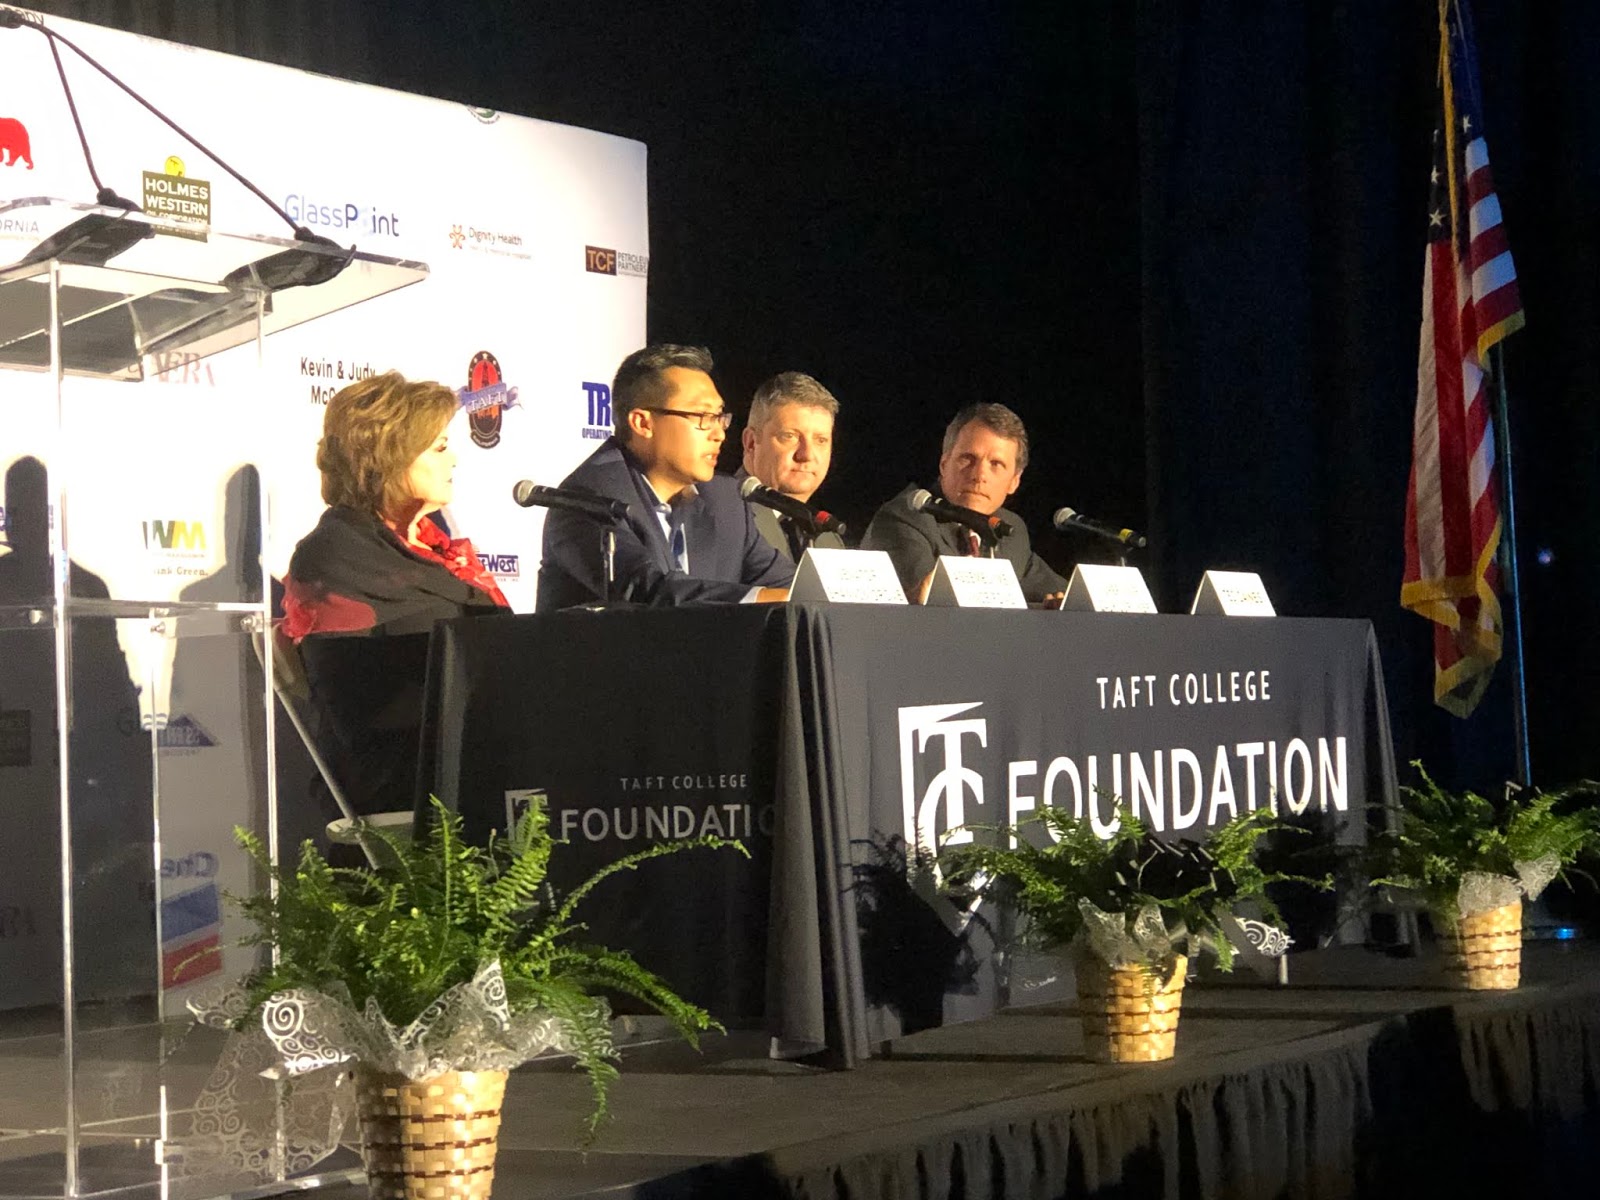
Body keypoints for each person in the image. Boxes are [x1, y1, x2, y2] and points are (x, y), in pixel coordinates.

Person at [537, 344, 794, 609]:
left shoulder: (725, 500)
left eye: (719, 417)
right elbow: (647, 590)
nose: (719, 434)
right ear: (643, 423)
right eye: (703, 416)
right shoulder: (588, 497)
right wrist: (766, 598)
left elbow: (790, 586)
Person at [283, 371, 508, 639]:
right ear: (388, 459)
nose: (453, 460)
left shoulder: (439, 550)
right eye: (439, 448)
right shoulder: (334, 558)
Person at [861, 402, 1067, 604]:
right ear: (944, 464)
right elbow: (931, 604)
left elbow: (1065, 595)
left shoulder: (1009, 529)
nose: (979, 475)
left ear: (1014, 481)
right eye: (968, 458)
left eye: (996, 464)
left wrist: (1060, 604)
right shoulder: (906, 518)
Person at [738, 371, 846, 562]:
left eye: (821, 440)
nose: (807, 455)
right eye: (789, 436)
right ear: (751, 443)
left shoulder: (828, 540)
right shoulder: (725, 518)